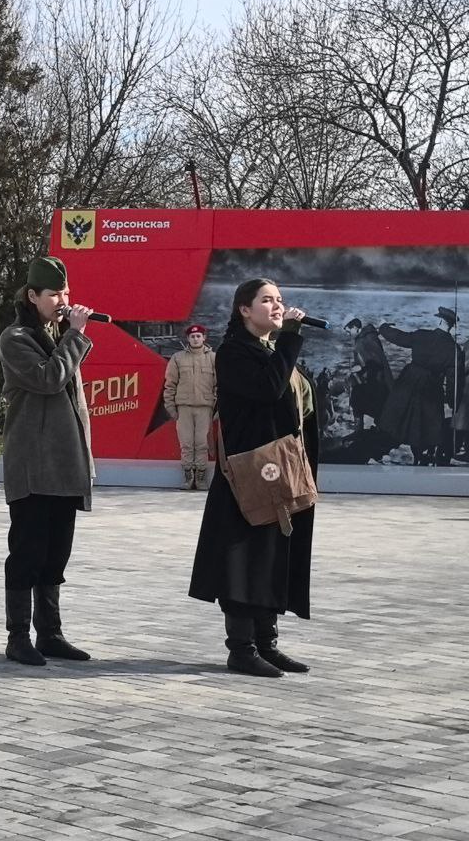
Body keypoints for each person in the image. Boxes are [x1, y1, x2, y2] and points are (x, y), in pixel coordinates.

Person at [188, 278, 318, 678]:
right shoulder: (233, 352)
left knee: (273, 555)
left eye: (280, 300)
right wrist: (291, 339)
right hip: (248, 471)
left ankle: (267, 643)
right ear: (244, 309)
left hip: (281, 469)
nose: (278, 307)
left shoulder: (267, 348)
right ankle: (241, 648)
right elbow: (268, 388)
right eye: (267, 300)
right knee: (243, 559)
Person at [0, 255, 95, 667]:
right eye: (54, 293)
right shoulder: (16, 337)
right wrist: (76, 336)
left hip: (66, 464)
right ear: (32, 295)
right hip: (33, 465)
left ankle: (50, 633)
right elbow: (48, 379)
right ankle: (18, 635)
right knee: (28, 552)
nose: (63, 299)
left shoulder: (60, 335)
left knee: (57, 555)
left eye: (66, 292)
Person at [377, 307, 459, 465]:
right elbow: (452, 380)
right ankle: (426, 453)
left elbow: (398, 337)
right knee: (427, 423)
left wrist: (383, 327)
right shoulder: (454, 349)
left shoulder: (422, 335)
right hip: (432, 387)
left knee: (406, 419)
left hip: (410, 381)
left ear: (440, 320)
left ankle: (415, 454)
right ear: (452, 326)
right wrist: (451, 400)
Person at [163, 324, 217, 490]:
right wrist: (171, 408)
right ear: (188, 339)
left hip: (205, 407)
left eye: (198, 336)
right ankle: (188, 478)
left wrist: (217, 409)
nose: (195, 339)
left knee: (201, 444)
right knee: (186, 444)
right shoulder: (178, 358)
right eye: (192, 337)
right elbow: (170, 384)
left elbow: (220, 385)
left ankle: (200, 479)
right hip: (184, 408)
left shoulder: (213, 358)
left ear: (204, 338)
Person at [343, 317, 393, 429]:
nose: (348, 334)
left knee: (357, 398)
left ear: (355, 328)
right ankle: (368, 428)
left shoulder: (367, 340)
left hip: (378, 381)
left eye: (348, 331)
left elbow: (375, 362)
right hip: (373, 379)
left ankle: (360, 429)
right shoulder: (364, 338)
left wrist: (357, 368)